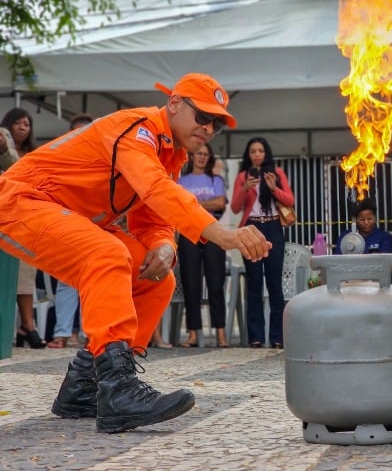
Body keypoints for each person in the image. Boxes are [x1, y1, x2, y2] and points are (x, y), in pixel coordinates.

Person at [0, 73, 271, 433]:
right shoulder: (137, 127)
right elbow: (154, 187)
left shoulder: (170, 154)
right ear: (174, 104)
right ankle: (117, 389)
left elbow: (152, 217)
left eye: (216, 124)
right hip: (21, 204)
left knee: (156, 278)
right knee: (108, 252)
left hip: (66, 217)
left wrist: (163, 245)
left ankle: (84, 387)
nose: (208, 129)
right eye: (203, 117)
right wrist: (222, 233)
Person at [231, 137, 294, 349]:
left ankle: (278, 337)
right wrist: (245, 188)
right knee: (254, 284)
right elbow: (235, 207)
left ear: (266, 153)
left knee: (275, 283)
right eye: (253, 151)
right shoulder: (242, 176)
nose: (257, 154)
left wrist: (273, 188)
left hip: (273, 227)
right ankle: (256, 337)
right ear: (248, 155)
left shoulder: (277, 173)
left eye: (260, 151)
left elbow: (290, 201)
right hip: (251, 227)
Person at [49, 113, 95, 349]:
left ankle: (91, 334)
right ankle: (63, 332)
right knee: (66, 280)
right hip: (66, 222)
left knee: (94, 280)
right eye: (76, 132)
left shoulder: (102, 160)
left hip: (95, 226)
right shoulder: (61, 159)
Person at [177, 142, 229, 348]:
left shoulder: (215, 179)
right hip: (189, 234)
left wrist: (194, 204)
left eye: (205, 154)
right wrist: (205, 204)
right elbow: (179, 207)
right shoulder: (181, 181)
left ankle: (221, 333)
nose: (201, 157)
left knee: (216, 284)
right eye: (198, 153)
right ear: (191, 156)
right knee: (191, 284)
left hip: (213, 232)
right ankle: (192, 333)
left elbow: (220, 203)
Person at [1, 108, 44, 348]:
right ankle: (21, 328)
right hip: (4, 215)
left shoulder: (34, 153)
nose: (22, 127)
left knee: (26, 273)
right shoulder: (3, 149)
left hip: (24, 218)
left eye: (26, 124)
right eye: (17, 123)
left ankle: (28, 325)